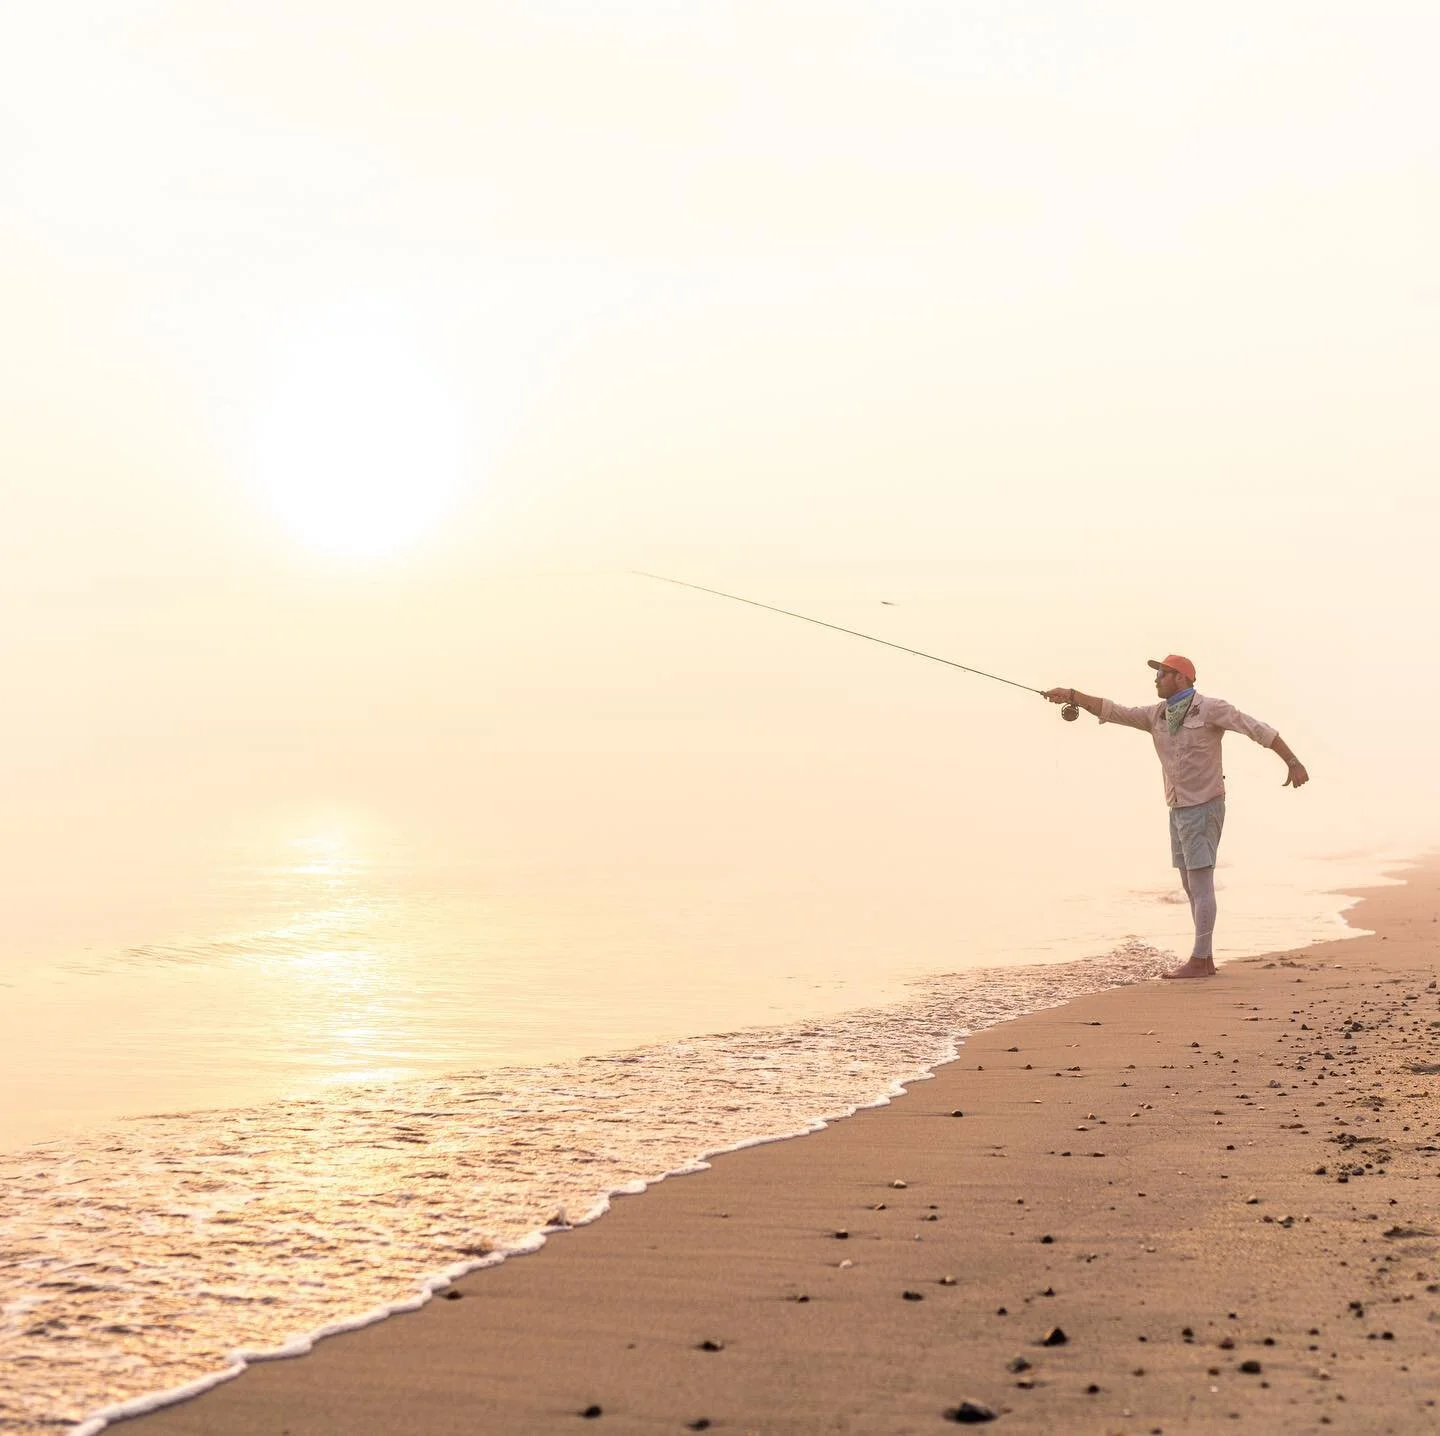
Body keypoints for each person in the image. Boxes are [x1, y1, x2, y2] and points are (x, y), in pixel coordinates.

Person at [1043, 656, 1309, 979]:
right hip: (1178, 808)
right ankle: (1205, 959)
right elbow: (1111, 710)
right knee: (1188, 884)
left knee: (1200, 883)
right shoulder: (1156, 715)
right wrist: (1072, 696)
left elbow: (1258, 730)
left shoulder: (1210, 708)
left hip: (1205, 805)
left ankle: (1199, 960)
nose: (1156, 679)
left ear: (1181, 678)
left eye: (1162, 674)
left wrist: (1292, 761)